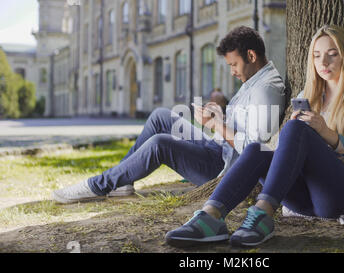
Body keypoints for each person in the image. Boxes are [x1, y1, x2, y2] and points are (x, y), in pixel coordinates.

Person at [165, 25, 344, 248]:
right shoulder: (306, 96)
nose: (323, 63)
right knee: (256, 150)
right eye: (317, 56)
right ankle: (210, 217)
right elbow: (283, 152)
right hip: (305, 200)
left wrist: (326, 133)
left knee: (296, 129)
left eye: (332, 54)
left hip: (343, 195)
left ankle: (262, 215)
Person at [52, 26, 286, 204]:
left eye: (234, 65)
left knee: (160, 144)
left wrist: (219, 125)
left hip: (223, 168)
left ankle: (98, 185)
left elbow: (254, 150)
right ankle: (121, 179)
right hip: (218, 149)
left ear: (252, 56)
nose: (232, 71)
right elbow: (243, 127)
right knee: (160, 116)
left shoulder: (265, 90)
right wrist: (219, 117)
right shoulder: (255, 79)